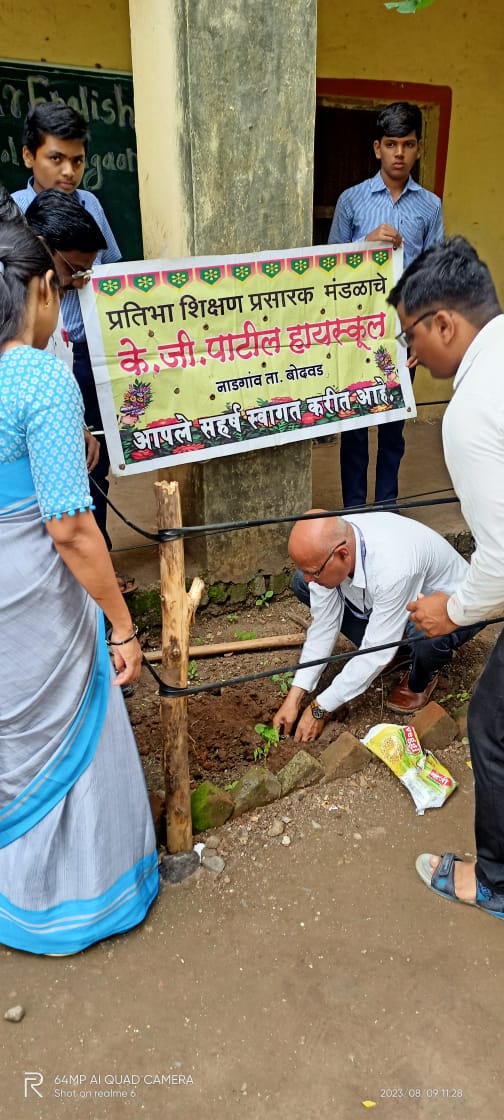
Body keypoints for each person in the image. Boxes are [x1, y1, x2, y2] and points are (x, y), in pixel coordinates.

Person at [0, 219, 158, 954]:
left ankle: (15, 896)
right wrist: (121, 623)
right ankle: (82, 901)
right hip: (35, 593)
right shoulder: (38, 377)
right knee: (68, 734)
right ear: (37, 290)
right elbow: (71, 527)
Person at [388, 235, 504, 920]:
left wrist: (452, 612)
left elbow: (502, 557)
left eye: (412, 336)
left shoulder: (470, 410)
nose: (411, 356)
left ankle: (493, 879)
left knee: (490, 726)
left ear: (444, 324)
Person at [11, 103, 123, 560]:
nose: (68, 171)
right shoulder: (14, 217)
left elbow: (110, 267)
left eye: (77, 161)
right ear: (28, 157)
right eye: (56, 158)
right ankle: (67, 554)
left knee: (93, 458)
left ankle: (96, 550)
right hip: (32, 356)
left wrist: (84, 276)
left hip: (81, 351)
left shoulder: (89, 205)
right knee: (44, 463)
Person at [272, 509, 481, 742]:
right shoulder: (333, 545)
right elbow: (324, 625)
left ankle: (421, 678)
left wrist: (319, 708)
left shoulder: (393, 566)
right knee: (301, 584)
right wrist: (295, 696)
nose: (311, 578)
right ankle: (401, 651)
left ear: (343, 554)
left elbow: (376, 652)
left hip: (455, 610)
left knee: (424, 635)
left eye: (314, 572)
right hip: (395, 602)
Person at [328, 102, 444, 510]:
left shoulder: (429, 206)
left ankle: (386, 508)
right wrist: (364, 245)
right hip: (358, 331)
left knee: (393, 427)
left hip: (403, 330)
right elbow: (327, 266)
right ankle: (356, 511)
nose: (399, 153)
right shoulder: (352, 201)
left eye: (408, 144)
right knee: (356, 426)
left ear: (418, 149)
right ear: (377, 148)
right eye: (391, 144)